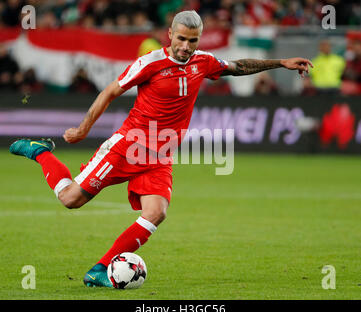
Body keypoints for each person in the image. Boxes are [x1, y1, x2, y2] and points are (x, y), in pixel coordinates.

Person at [9, 10, 313, 288]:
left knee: (156, 212)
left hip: (160, 155)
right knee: (71, 199)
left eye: (192, 40)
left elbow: (237, 66)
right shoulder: (150, 62)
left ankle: (99, 269)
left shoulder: (203, 61)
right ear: (170, 34)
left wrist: (281, 63)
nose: (186, 45)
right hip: (128, 147)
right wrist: (83, 129)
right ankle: (40, 152)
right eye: (181, 38)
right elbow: (111, 91)